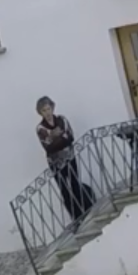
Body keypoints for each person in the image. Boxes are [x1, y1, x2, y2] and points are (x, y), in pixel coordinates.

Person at [34, 96, 93, 226]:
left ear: (52, 107)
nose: (48, 112)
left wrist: (55, 138)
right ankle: (76, 217)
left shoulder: (62, 120)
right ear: (40, 112)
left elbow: (70, 137)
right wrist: (58, 138)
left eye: (49, 108)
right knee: (65, 190)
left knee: (75, 184)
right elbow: (48, 147)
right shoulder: (40, 129)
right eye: (44, 110)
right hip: (55, 163)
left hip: (69, 157)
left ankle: (85, 211)